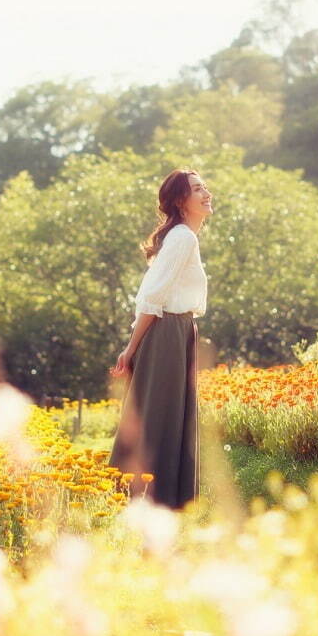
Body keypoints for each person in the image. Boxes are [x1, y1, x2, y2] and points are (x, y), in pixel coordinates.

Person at [108, 169, 213, 509]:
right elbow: (152, 298)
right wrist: (132, 347)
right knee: (160, 413)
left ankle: (157, 497)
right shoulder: (183, 238)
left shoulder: (182, 237)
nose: (206, 193)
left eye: (205, 187)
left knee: (164, 412)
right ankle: (149, 498)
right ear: (181, 200)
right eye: (197, 189)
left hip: (176, 331)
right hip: (167, 331)